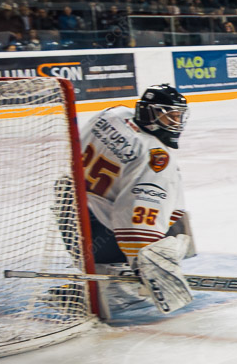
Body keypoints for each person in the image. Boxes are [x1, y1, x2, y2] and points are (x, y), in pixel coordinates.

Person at [76, 84, 193, 315]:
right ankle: (122, 278)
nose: (175, 123)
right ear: (148, 114)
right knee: (175, 218)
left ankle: (107, 266)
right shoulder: (155, 156)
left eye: (178, 116)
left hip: (72, 221)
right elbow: (134, 218)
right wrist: (147, 267)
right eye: (168, 116)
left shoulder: (112, 115)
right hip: (100, 238)